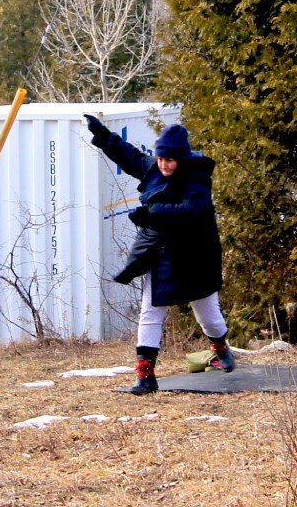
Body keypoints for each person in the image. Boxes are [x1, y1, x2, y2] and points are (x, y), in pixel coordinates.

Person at [84, 115, 230, 395]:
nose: (164, 165)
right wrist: (102, 135)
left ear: (181, 159)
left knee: (208, 317)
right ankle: (145, 376)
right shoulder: (153, 168)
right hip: (163, 254)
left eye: (170, 160)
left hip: (197, 256)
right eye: (161, 158)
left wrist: (151, 213)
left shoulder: (197, 176)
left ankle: (220, 347)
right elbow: (128, 156)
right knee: (150, 312)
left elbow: (192, 210)